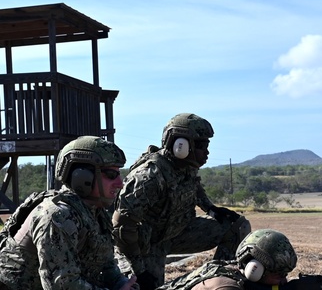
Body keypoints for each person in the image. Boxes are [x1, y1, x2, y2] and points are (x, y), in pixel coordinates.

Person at [112, 113, 251, 290]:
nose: (207, 152)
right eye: (201, 146)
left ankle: (218, 279)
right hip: (146, 247)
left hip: (176, 233)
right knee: (148, 287)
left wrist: (211, 209)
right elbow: (122, 226)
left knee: (236, 226)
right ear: (181, 146)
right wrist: (139, 271)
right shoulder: (149, 176)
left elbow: (195, 187)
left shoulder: (186, 166)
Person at [0, 136, 138, 290]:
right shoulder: (56, 216)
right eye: (111, 175)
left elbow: (106, 266)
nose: (120, 183)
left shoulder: (95, 213)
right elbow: (62, 286)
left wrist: (122, 284)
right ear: (83, 176)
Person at [157, 229, 297, 290]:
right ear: (255, 269)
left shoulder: (234, 272)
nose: (284, 281)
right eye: (279, 275)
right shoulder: (226, 286)